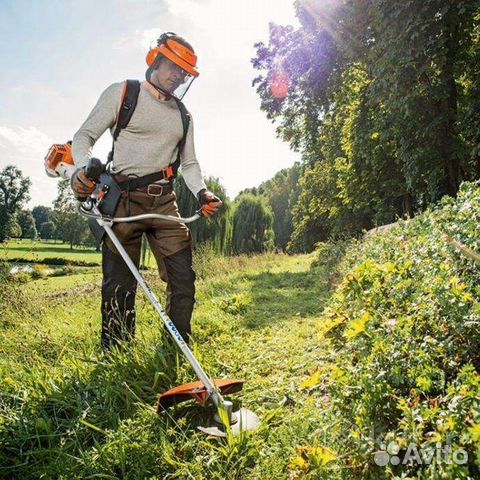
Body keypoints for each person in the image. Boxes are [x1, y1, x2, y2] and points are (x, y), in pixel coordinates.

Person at [70, 32, 222, 350]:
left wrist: (202, 192)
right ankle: (117, 353)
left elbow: (190, 164)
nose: (178, 75)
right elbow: (84, 136)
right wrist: (84, 169)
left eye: (184, 72)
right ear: (156, 59)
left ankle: (174, 350)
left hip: (165, 202)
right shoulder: (124, 93)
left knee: (183, 279)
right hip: (122, 200)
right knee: (119, 285)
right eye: (173, 66)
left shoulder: (184, 115)